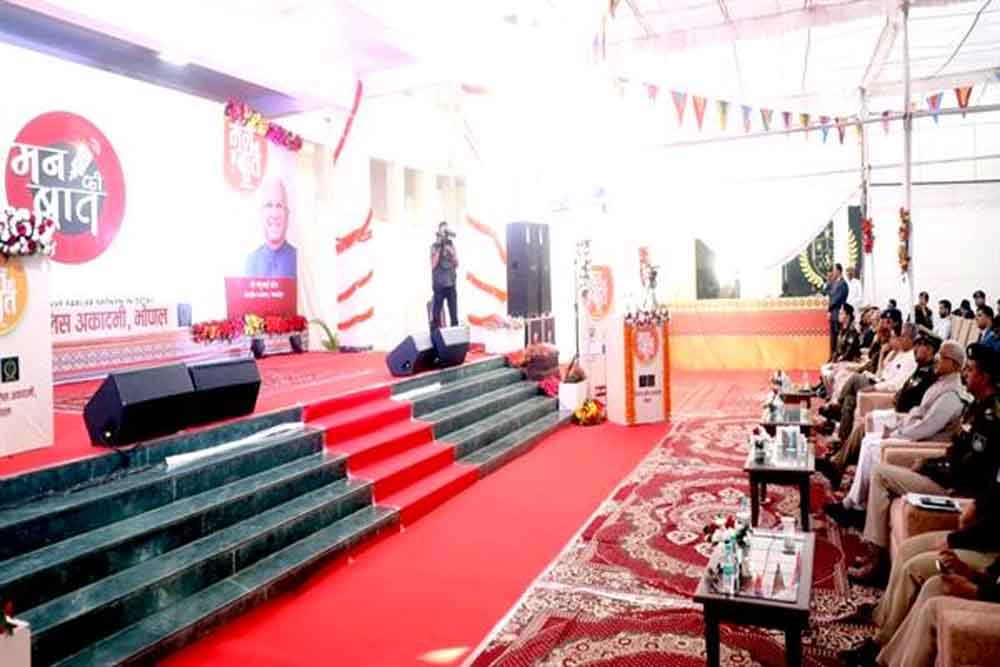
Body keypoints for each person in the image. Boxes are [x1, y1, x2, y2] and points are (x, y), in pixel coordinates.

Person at [849, 343, 1000, 583]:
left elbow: (971, 470)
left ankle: (878, 560)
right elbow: (954, 450)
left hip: (955, 488)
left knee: (881, 474)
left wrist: (930, 467)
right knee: (881, 471)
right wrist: (929, 461)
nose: (965, 373)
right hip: (945, 475)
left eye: (970, 369)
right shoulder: (976, 405)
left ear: (985, 377)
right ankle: (875, 550)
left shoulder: (991, 415)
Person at [841, 480, 1000, 666]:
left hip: (988, 549)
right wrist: (975, 573)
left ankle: (880, 643)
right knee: (911, 554)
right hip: (986, 553)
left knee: (914, 569)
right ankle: (882, 628)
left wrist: (977, 588)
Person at [825, 339, 964, 524]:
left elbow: (927, 427)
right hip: (911, 430)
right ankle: (854, 503)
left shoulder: (951, 395)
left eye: (942, 356)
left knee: (873, 445)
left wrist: (896, 433)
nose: (937, 359)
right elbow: (917, 412)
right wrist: (899, 428)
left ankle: (855, 506)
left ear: (953, 364)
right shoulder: (941, 383)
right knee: (868, 439)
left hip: (922, 442)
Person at [244, 178, 297, 278]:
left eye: (279, 206)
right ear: (261, 213)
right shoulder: (251, 262)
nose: (274, 214)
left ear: (287, 214)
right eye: (269, 205)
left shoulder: (300, 260)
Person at [430, 221, 459, 328]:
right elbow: (433, 265)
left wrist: (451, 253)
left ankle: (455, 335)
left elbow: (457, 264)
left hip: (451, 284)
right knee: (436, 316)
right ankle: (435, 334)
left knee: (454, 316)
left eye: (447, 231)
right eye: (444, 231)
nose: (445, 234)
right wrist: (439, 247)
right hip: (439, 285)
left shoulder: (451, 245)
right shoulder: (434, 246)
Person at [828, 263, 848, 355]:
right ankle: (832, 355)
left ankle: (836, 355)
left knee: (837, 335)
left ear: (839, 271)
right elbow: (830, 296)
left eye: (834, 270)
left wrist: (829, 308)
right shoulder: (834, 283)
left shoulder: (843, 284)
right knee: (833, 336)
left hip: (838, 312)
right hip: (833, 313)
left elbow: (837, 299)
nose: (833, 272)